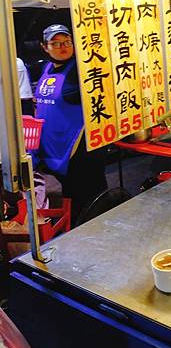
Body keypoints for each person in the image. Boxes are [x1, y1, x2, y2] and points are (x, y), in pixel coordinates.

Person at [34, 24, 108, 224]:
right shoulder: (47, 67)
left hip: (79, 149)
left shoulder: (81, 69)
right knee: (71, 198)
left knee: (88, 201)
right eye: (55, 43)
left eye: (67, 41)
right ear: (44, 46)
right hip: (55, 148)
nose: (63, 46)